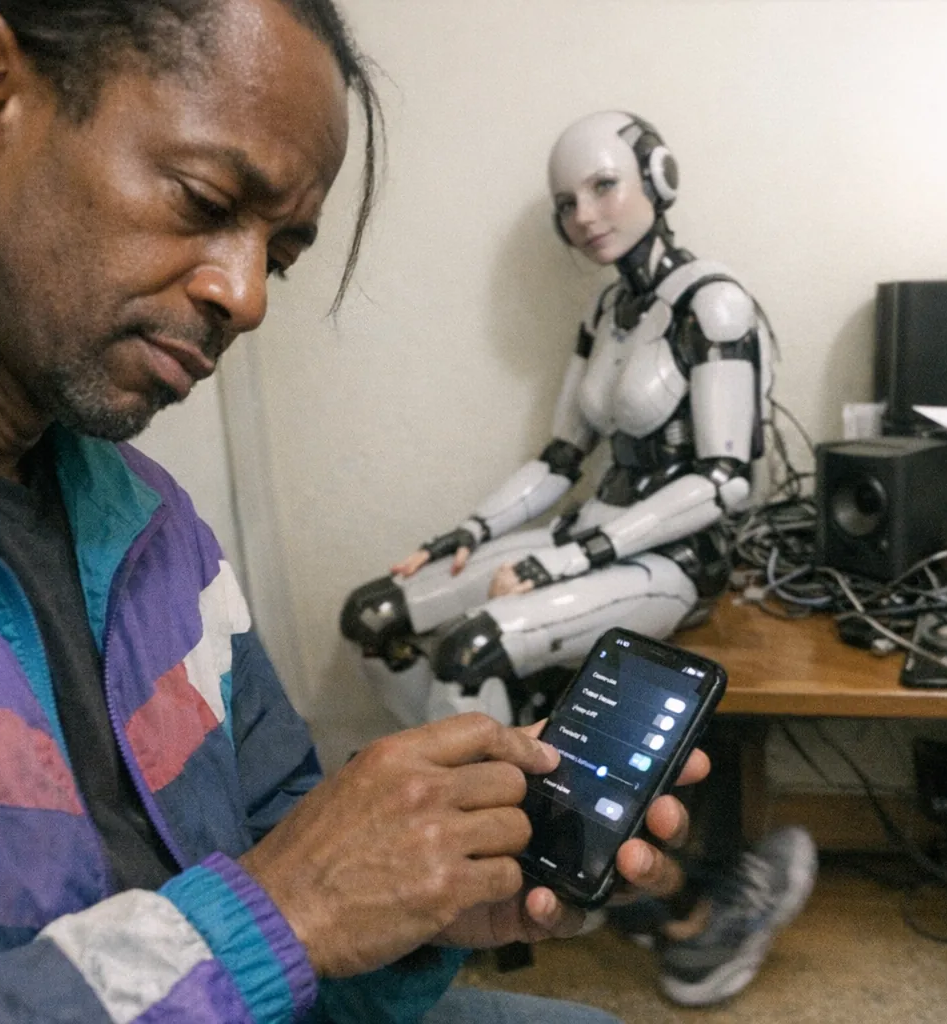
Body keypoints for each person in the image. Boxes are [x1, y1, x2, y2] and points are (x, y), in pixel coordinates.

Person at [0, 6, 706, 1023]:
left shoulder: (152, 530)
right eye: (202, 199)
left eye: (279, 254)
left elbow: (289, 916)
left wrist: (406, 914)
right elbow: (268, 920)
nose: (248, 297)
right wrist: (276, 918)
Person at [340, 110, 817, 1006]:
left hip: (671, 555)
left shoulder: (713, 304)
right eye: (568, 200)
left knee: (471, 652)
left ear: (658, 178)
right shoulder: (607, 310)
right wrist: (469, 535)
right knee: (375, 620)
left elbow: (724, 482)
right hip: (594, 529)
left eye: (604, 185)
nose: (585, 214)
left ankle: (563, 879)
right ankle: (505, 854)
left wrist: (579, 555)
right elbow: (562, 460)